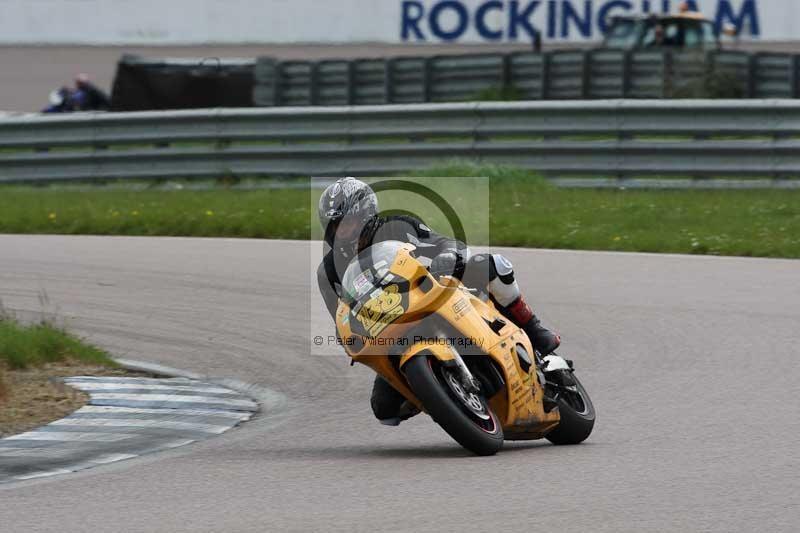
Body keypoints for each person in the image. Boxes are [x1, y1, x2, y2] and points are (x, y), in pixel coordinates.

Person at [317, 177, 561, 425]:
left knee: (491, 266)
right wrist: (348, 337)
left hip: (433, 293)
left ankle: (532, 327)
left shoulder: (398, 226)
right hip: (391, 331)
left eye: (348, 223)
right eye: (337, 227)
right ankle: (440, 393)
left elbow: (443, 242)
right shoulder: (328, 272)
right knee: (385, 410)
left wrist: (446, 255)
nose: (344, 232)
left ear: (366, 214)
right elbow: (341, 318)